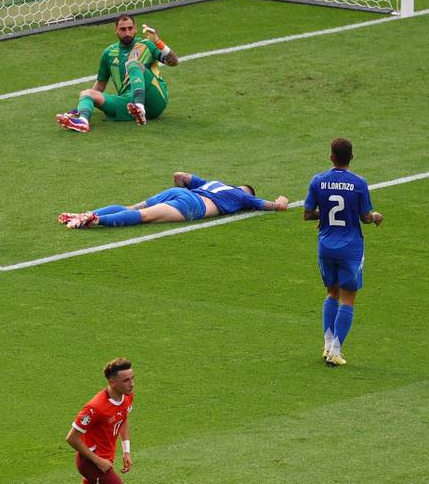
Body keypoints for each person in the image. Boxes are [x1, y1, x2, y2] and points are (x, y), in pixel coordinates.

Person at [303, 138, 383, 367]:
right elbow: (366, 217)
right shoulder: (359, 183)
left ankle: (327, 345)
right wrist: (376, 217)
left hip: (325, 246)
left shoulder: (318, 181)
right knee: (348, 298)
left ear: (331, 157)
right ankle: (335, 352)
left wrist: (324, 213)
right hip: (350, 248)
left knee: (331, 293)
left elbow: (307, 214)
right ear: (352, 157)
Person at [56, 15, 178, 133]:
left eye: (130, 28)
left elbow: (173, 62)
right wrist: (82, 106)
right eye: (123, 29)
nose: (127, 33)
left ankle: (140, 107)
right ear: (116, 31)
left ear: (135, 29)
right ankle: (83, 122)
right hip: (128, 105)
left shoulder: (147, 45)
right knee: (86, 93)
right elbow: (100, 85)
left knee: (133, 64)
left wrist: (157, 41)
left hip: (155, 99)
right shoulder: (108, 53)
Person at [59, 171, 289, 229]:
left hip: (179, 193)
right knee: (144, 217)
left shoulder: (215, 182)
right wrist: (281, 201)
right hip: (193, 205)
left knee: (131, 207)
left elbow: (182, 177)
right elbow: (270, 206)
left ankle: (85, 213)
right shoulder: (241, 195)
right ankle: (96, 220)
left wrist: (183, 177)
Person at [66, 358, 135, 484]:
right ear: (112, 382)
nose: (131, 384)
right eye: (126, 380)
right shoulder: (95, 408)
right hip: (90, 462)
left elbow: (123, 419)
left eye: (132, 378)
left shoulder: (127, 395)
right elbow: (71, 438)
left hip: (107, 457)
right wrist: (98, 461)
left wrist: (126, 452)